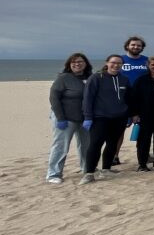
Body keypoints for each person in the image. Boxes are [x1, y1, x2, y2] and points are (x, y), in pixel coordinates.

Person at [80, 55, 134, 184]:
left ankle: (106, 169)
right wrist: (88, 117)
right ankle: (89, 173)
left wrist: (130, 114)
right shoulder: (96, 78)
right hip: (100, 118)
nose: (116, 65)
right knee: (95, 144)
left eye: (119, 63)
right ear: (107, 63)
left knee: (112, 144)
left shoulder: (124, 79)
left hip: (119, 118)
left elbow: (129, 99)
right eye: (113, 63)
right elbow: (88, 98)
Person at [46, 52, 92, 183]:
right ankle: (53, 174)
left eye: (80, 62)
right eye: (74, 62)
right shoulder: (63, 78)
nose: (77, 64)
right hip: (65, 118)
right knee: (61, 146)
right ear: (69, 65)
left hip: (85, 119)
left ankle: (87, 169)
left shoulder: (90, 77)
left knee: (86, 146)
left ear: (86, 64)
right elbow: (54, 98)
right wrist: (60, 118)